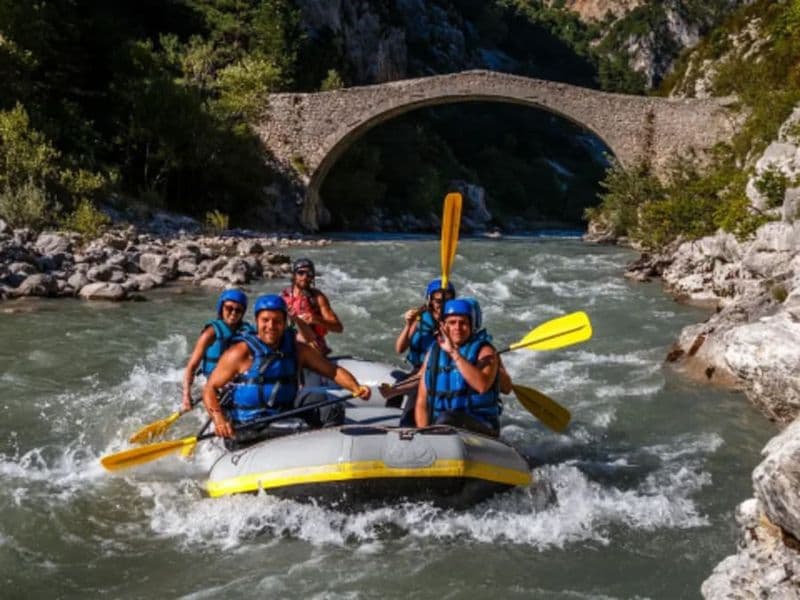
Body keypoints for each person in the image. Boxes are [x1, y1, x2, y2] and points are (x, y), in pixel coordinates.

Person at [202, 294, 370, 446]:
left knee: (332, 409)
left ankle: (329, 453)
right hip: (249, 424)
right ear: (257, 321)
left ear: (284, 323)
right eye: (265, 320)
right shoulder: (240, 353)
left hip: (283, 411)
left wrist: (355, 387)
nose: (271, 326)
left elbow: (332, 371)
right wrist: (218, 419)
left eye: (277, 321)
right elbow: (210, 388)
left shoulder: (298, 349)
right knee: (300, 427)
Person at [414, 298, 503, 437]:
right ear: (443, 325)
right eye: (452, 322)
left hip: (481, 427)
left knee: (447, 419)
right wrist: (423, 434)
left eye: (463, 323)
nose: (457, 328)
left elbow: (482, 385)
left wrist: (454, 353)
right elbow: (421, 402)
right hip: (441, 428)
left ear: (471, 325)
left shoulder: (486, 351)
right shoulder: (433, 353)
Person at [181, 289, 254, 411]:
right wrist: (186, 396)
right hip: (211, 381)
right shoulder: (210, 333)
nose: (233, 313)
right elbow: (191, 366)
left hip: (235, 382)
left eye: (238, 310)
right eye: (229, 308)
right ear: (221, 308)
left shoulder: (248, 331)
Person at [280, 258, 342, 355]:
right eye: (301, 273)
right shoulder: (283, 297)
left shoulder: (317, 298)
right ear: (294, 275)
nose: (305, 277)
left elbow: (338, 327)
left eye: (309, 274)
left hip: (313, 345)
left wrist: (317, 319)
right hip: (289, 342)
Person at [395, 278, 456, 370]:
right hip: (418, 369)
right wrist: (408, 325)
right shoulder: (420, 318)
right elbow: (399, 349)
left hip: (443, 370)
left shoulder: (456, 321)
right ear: (430, 300)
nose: (443, 305)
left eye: (447, 301)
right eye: (439, 301)